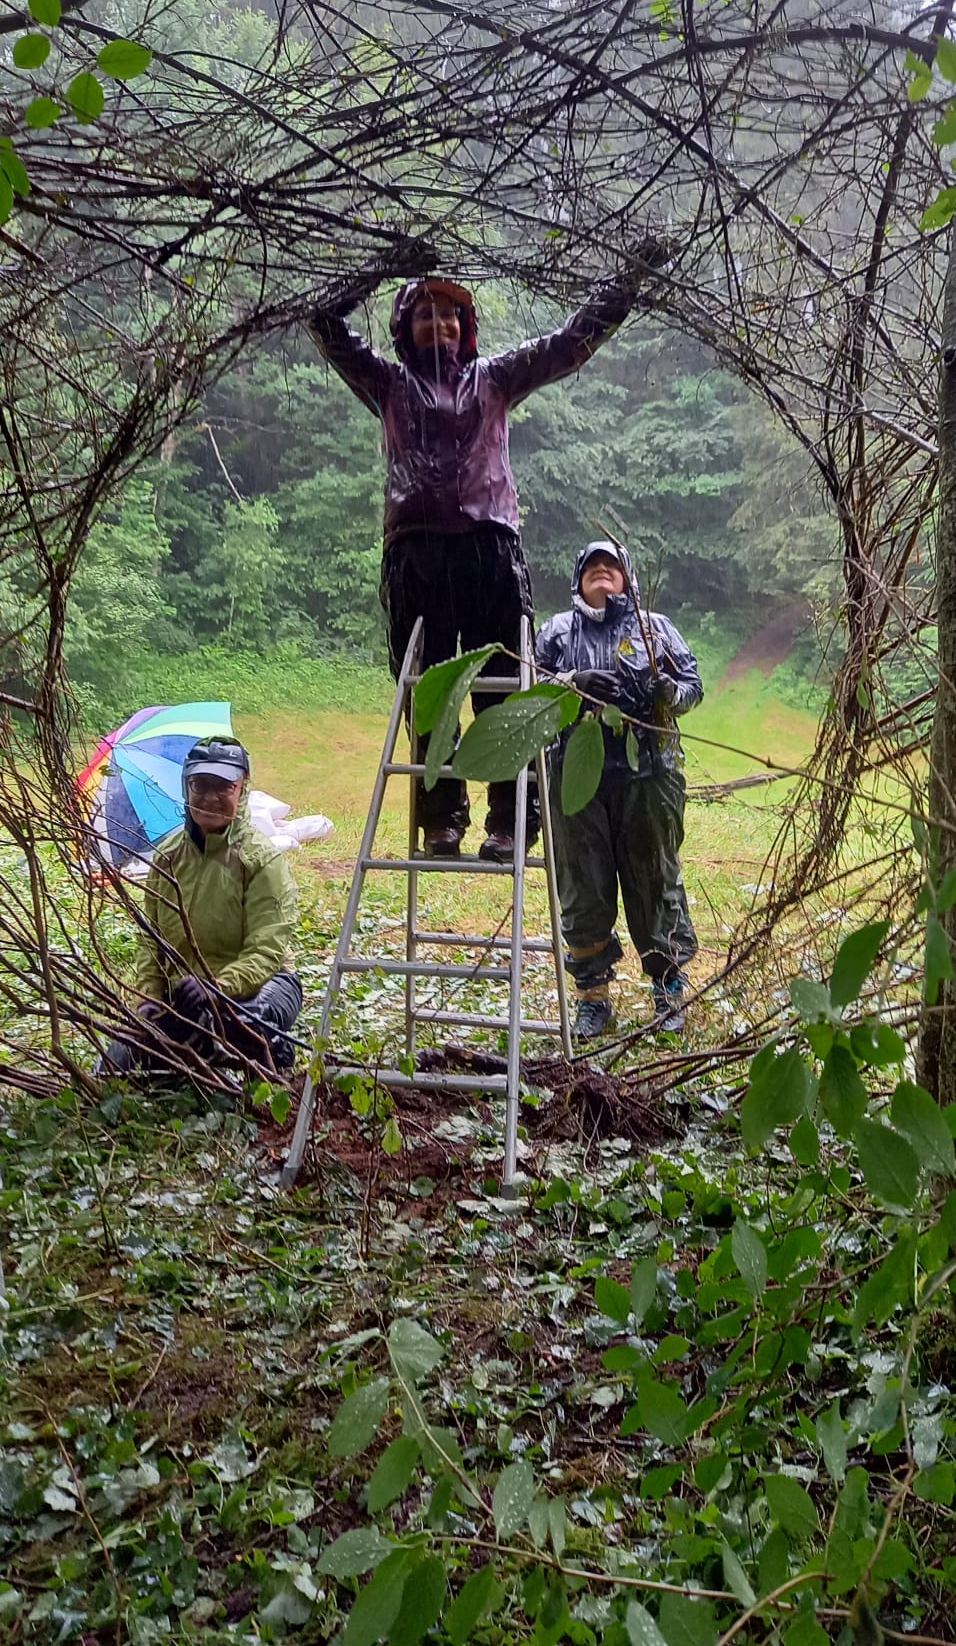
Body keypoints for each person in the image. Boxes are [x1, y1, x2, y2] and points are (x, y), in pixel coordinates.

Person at [308, 251, 660, 861]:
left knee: (504, 691)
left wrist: (628, 279)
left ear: (466, 327)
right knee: (430, 693)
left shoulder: (495, 378)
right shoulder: (389, 384)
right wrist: (386, 263)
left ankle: (511, 819)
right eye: (424, 315)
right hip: (416, 554)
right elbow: (322, 320)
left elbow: (572, 342)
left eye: (450, 315)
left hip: (491, 548)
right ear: (404, 327)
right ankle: (440, 816)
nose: (439, 326)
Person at [535, 539, 702, 1041]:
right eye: (592, 567)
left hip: (648, 777)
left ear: (627, 577)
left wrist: (669, 691)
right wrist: (570, 681)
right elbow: (532, 690)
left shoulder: (656, 630)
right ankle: (593, 999)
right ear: (578, 580)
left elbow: (693, 684)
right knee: (582, 890)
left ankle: (669, 989)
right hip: (576, 781)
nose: (602, 572)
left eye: (612, 566)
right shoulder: (557, 633)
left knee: (656, 882)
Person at [99, 736, 303, 1077]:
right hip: (189, 997)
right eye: (200, 785)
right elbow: (151, 943)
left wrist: (217, 987)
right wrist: (149, 998)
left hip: (262, 988)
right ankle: (192, 1047)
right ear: (186, 788)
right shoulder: (167, 857)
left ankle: (272, 1050)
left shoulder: (261, 860)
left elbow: (267, 951)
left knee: (240, 1022)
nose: (210, 797)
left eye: (224, 787)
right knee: (119, 1063)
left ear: (242, 790)